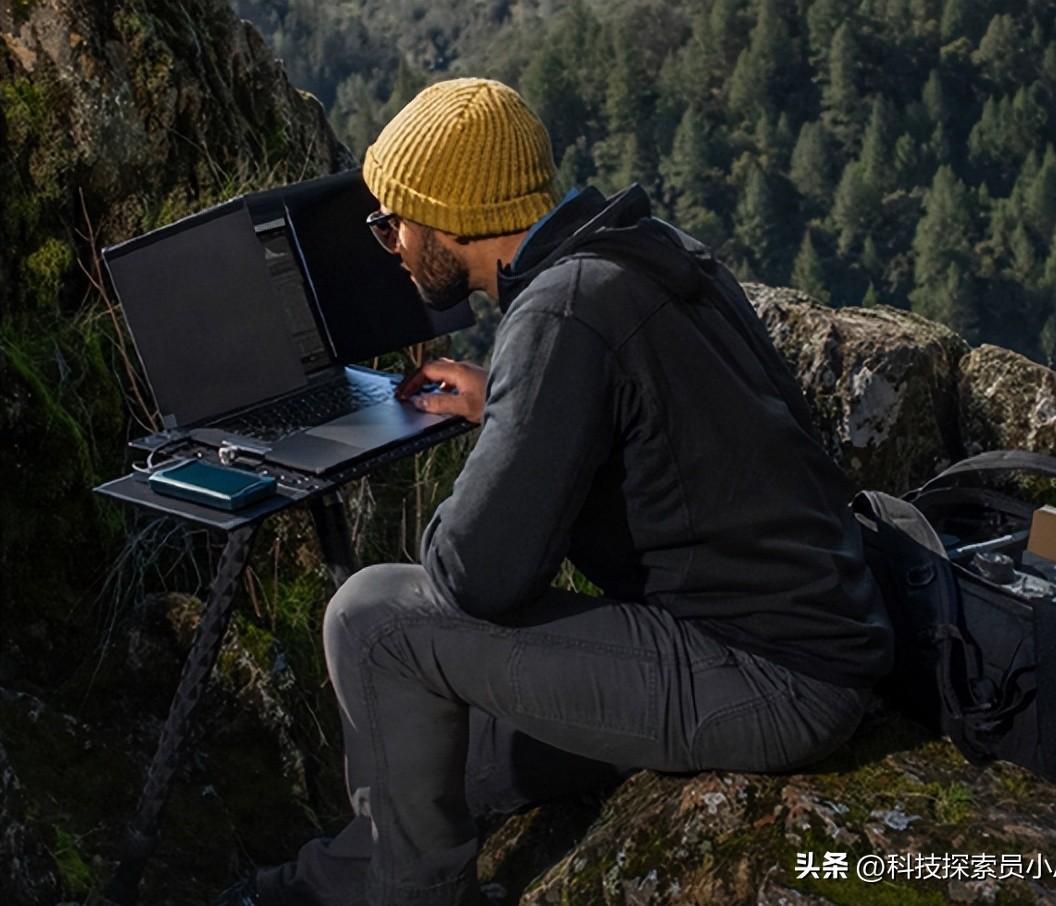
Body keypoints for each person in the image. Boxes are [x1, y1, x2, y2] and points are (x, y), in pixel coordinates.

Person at [222, 77, 893, 906]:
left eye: (393, 220)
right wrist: (513, 392)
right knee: (431, 751)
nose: (390, 242)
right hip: (808, 635)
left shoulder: (561, 316)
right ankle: (322, 886)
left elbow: (478, 576)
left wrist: (512, 422)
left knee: (375, 623)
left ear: (448, 215)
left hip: (766, 675)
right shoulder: (637, 253)